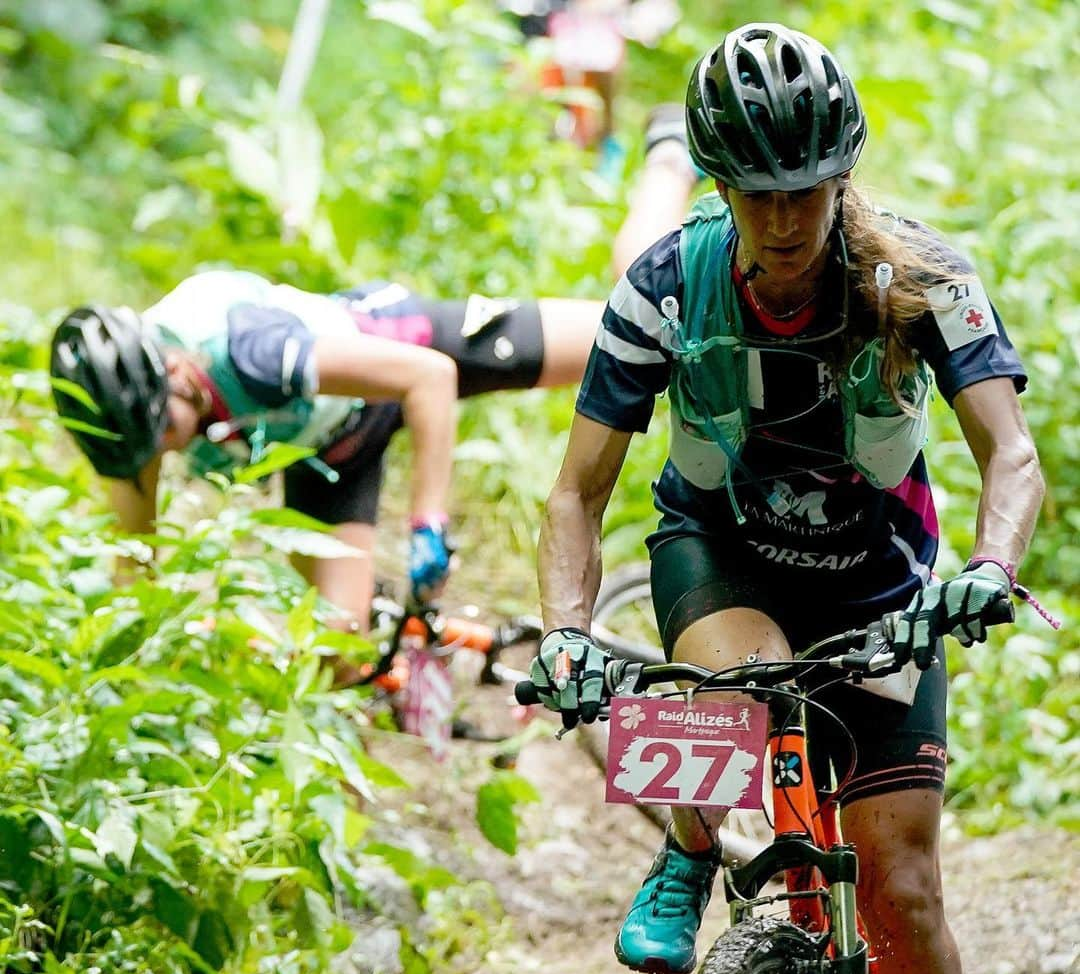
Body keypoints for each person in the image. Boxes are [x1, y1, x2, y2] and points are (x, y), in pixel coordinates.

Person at [529, 22, 1047, 974]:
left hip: (884, 583)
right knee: (736, 684)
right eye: (755, 192)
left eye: (803, 190)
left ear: (842, 174)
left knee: (904, 887)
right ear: (717, 184)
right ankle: (684, 845)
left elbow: (1013, 456)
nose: (780, 218)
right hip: (720, 553)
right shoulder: (663, 288)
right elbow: (577, 494)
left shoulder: (924, 274)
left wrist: (989, 569)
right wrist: (565, 635)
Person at [49, 139, 696, 657]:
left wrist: (428, 525)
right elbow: (134, 577)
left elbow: (429, 378)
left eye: (162, 435)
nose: (159, 455)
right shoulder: (130, 420)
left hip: (395, 348)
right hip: (327, 447)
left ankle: (669, 157)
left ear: (175, 373)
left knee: (643, 322)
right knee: (339, 654)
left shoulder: (254, 352)